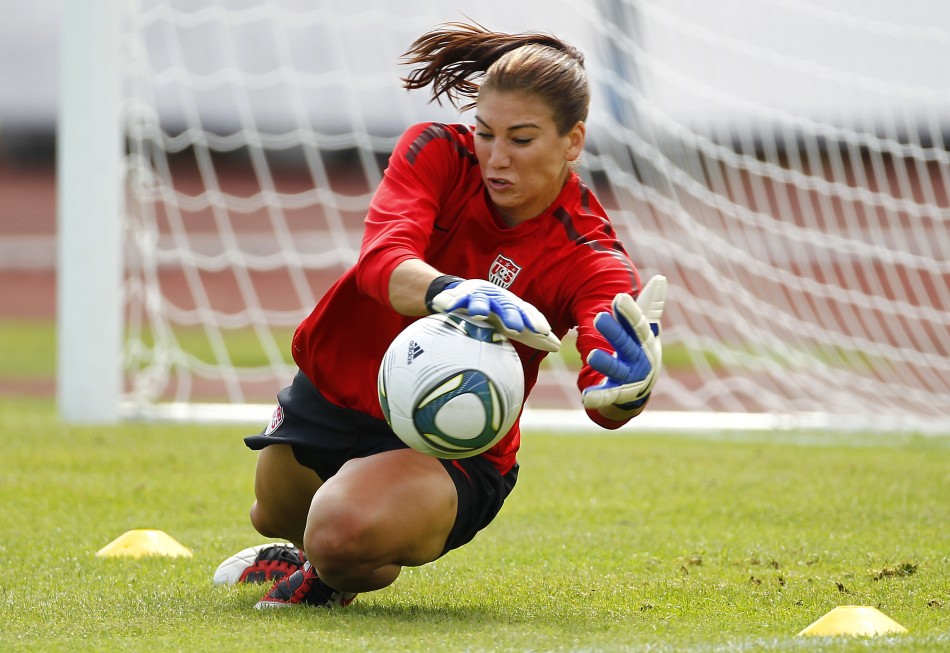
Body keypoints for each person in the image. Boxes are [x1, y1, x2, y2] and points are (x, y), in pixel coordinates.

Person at [214, 21, 667, 609]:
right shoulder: (438, 152)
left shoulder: (589, 252)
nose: (496, 158)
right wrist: (454, 293)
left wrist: (626, 388)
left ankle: (327, 571)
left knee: (339, 535)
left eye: (521, 139)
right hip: (340, 388)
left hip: (451, 442)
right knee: (271, 512)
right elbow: (382, 261)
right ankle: (307, 548)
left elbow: (606, 388)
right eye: (486, 132)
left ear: (572, 141)